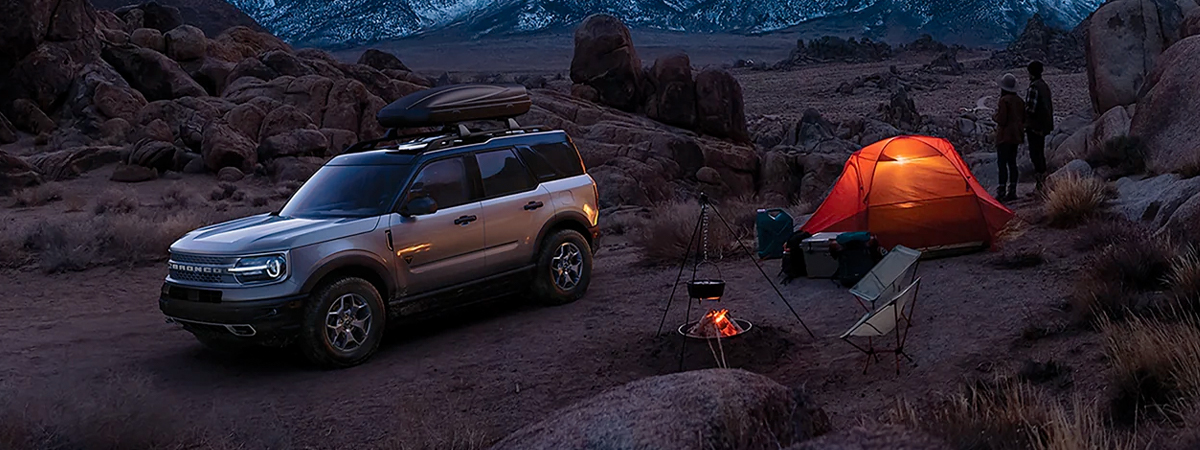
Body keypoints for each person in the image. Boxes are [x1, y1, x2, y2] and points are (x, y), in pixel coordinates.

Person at [993, 73, 1025, 201]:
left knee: (1002, 164)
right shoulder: (1020, 101)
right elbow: (1023, 117)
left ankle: (1001, 191)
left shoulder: (1004, 101)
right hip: (1016, 136)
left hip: (1004, 136)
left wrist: (994, 117)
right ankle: (1012, 190)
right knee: (1012, 163)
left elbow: (1002, 119)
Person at [1024, 60, 1054, 193]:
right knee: (1040, 153)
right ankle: (1043, 184)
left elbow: (1031, 109)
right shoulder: (1044, 86)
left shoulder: (1034, 87)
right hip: (1044, 125)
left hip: (1035, 126)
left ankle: (1040, 185)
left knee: (1035, 154)